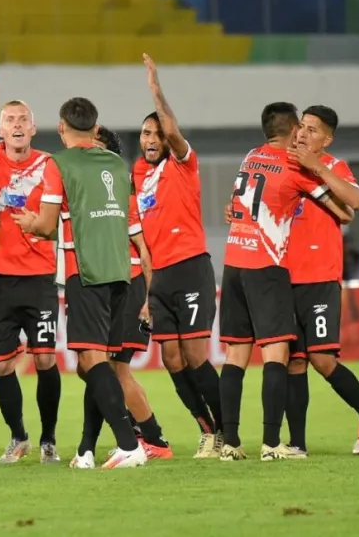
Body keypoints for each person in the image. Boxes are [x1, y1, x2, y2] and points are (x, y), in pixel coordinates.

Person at [13, 97, 147, 469]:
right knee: (97, 362)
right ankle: (86, 449)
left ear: (61, 127)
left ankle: (129, 445)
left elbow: (44, 224)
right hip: (122, 271)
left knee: (91, 360)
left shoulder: (59, 163)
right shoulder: (118, 164)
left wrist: (28, 224)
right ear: (96, 126)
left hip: (85, 270)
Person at [217, 102, 354, 462]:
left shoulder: (250, 156)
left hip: (233, 263)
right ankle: (271, 444)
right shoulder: (294, 166)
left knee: (235, 356)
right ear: (294, 130)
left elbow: (240, 201)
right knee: (276, 354)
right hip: (266, 264)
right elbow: (346, 209)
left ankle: (229, 443)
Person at [283, 105, 359, 456]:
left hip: (320, 277)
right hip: (285, 277)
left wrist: (317, 167)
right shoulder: (284, 164)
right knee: (293, 361)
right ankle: (297, 444)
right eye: (301, 126)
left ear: (327, 138)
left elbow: (355, 200)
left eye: (312, 130)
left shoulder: (335, 166)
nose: (303, 133)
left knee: (322, 359)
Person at [135, 55, 223, 458]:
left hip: (190, 268)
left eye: (156, 133)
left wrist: (156, 92)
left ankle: (229, 429)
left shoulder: (184, 164)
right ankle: (206, 429)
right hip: (161, 277)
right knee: (171, 359)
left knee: (194, 354)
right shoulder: (138, 174)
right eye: (145, 134)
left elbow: (171, 128)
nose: (151, 139)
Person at [0, 100, 63, 464]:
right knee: (4, 364)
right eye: (10, 119)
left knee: (43, 358)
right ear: (1, 131)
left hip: (39, 276)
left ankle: (49, 440)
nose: (17, 124)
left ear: (34, 127)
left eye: (24, 118)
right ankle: (18, 436)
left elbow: (56, 217)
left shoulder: (49, 165)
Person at [95, 125, 172, 461]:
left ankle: (153, 440)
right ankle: (142, 435)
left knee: (116, 369)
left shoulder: (118, 188)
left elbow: (142, 248)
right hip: (114, 287)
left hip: (130, 287)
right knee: (103, 368)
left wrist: (146, 299)